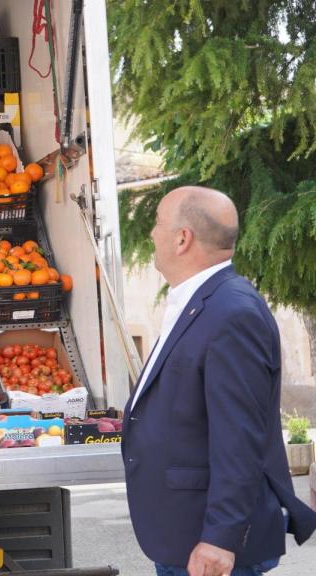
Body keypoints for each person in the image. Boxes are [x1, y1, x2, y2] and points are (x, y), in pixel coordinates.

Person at [122, 186, 316, 576]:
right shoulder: (201, 301)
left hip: (209, 544)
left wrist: (221, 538)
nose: (152, 234)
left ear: (182, 239)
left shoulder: (232, 313)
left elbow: (239, 437)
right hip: (183, 531)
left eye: (158, 223)